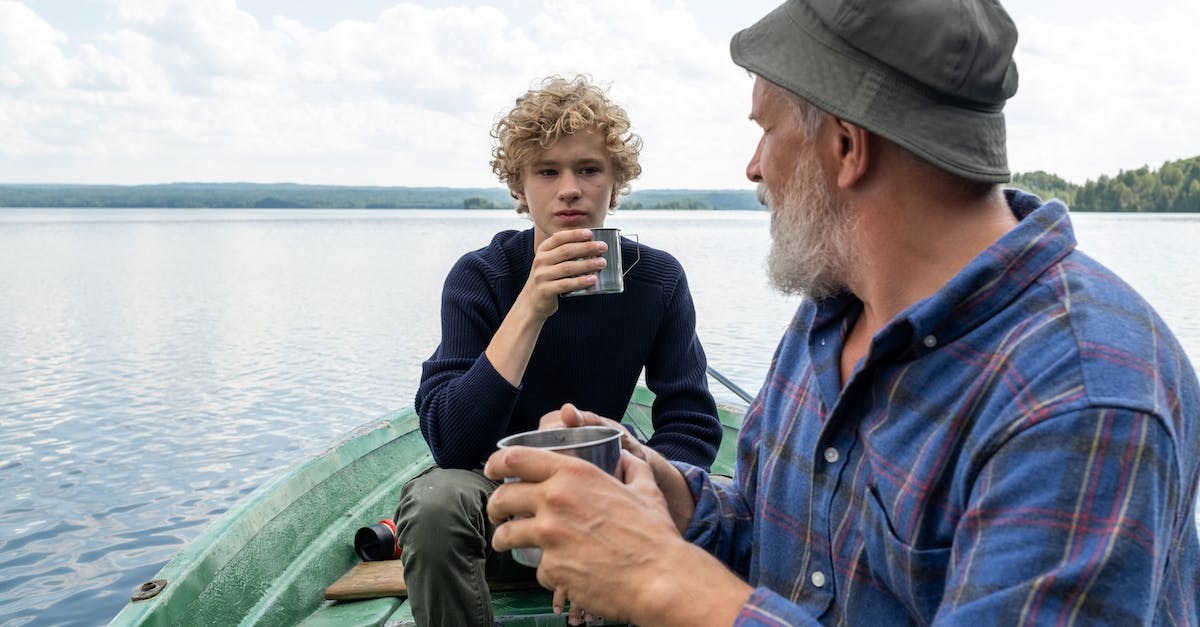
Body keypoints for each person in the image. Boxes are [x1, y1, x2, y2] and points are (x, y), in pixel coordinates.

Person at [484, 2, 1200, 625]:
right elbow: (777, 538)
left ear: (847, 146)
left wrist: (666, 581)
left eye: (767, 130)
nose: (754, 167)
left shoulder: (1083, 395)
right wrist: (669, 497)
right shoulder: (832, 312)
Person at [395, 74, 722, 627]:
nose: (569, 188)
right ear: (520, 190)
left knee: (720, 515)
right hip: (500, 511)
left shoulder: (658, 279)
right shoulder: (481, 276)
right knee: (434, 502)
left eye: (589, 169)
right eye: (547, 171)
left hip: (606, 506)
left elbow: (689, 423)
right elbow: (453, 444)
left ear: (615, 185)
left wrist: (631, 508)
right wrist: (531, 305)